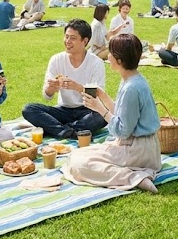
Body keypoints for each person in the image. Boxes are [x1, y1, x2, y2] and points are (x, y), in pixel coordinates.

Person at [63, 33, 161, 192]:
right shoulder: (132, 79)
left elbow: (122, 131)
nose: (108, 56)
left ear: (120, 60)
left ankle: (135, 178)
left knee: (79, 165)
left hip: (137, 151)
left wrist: (99, 108)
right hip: (141, 147)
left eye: (111, 53)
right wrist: (103, 96)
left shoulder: (131, 88)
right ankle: (134, 175)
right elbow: (125, 116)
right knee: (76, 155)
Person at [22, 20, 108, 139]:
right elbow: (47, 96)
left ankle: (57, 129)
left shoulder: (96, 63)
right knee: (29, 109)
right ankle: (69, 131)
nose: (67, 41)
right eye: (66, 36)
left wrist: (77, 87)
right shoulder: (56, 60)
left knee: (103, 115)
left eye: (73, 38)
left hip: (87, 110)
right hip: (63, 110)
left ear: (85, 41)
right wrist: (51, 89)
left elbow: (97, 96)